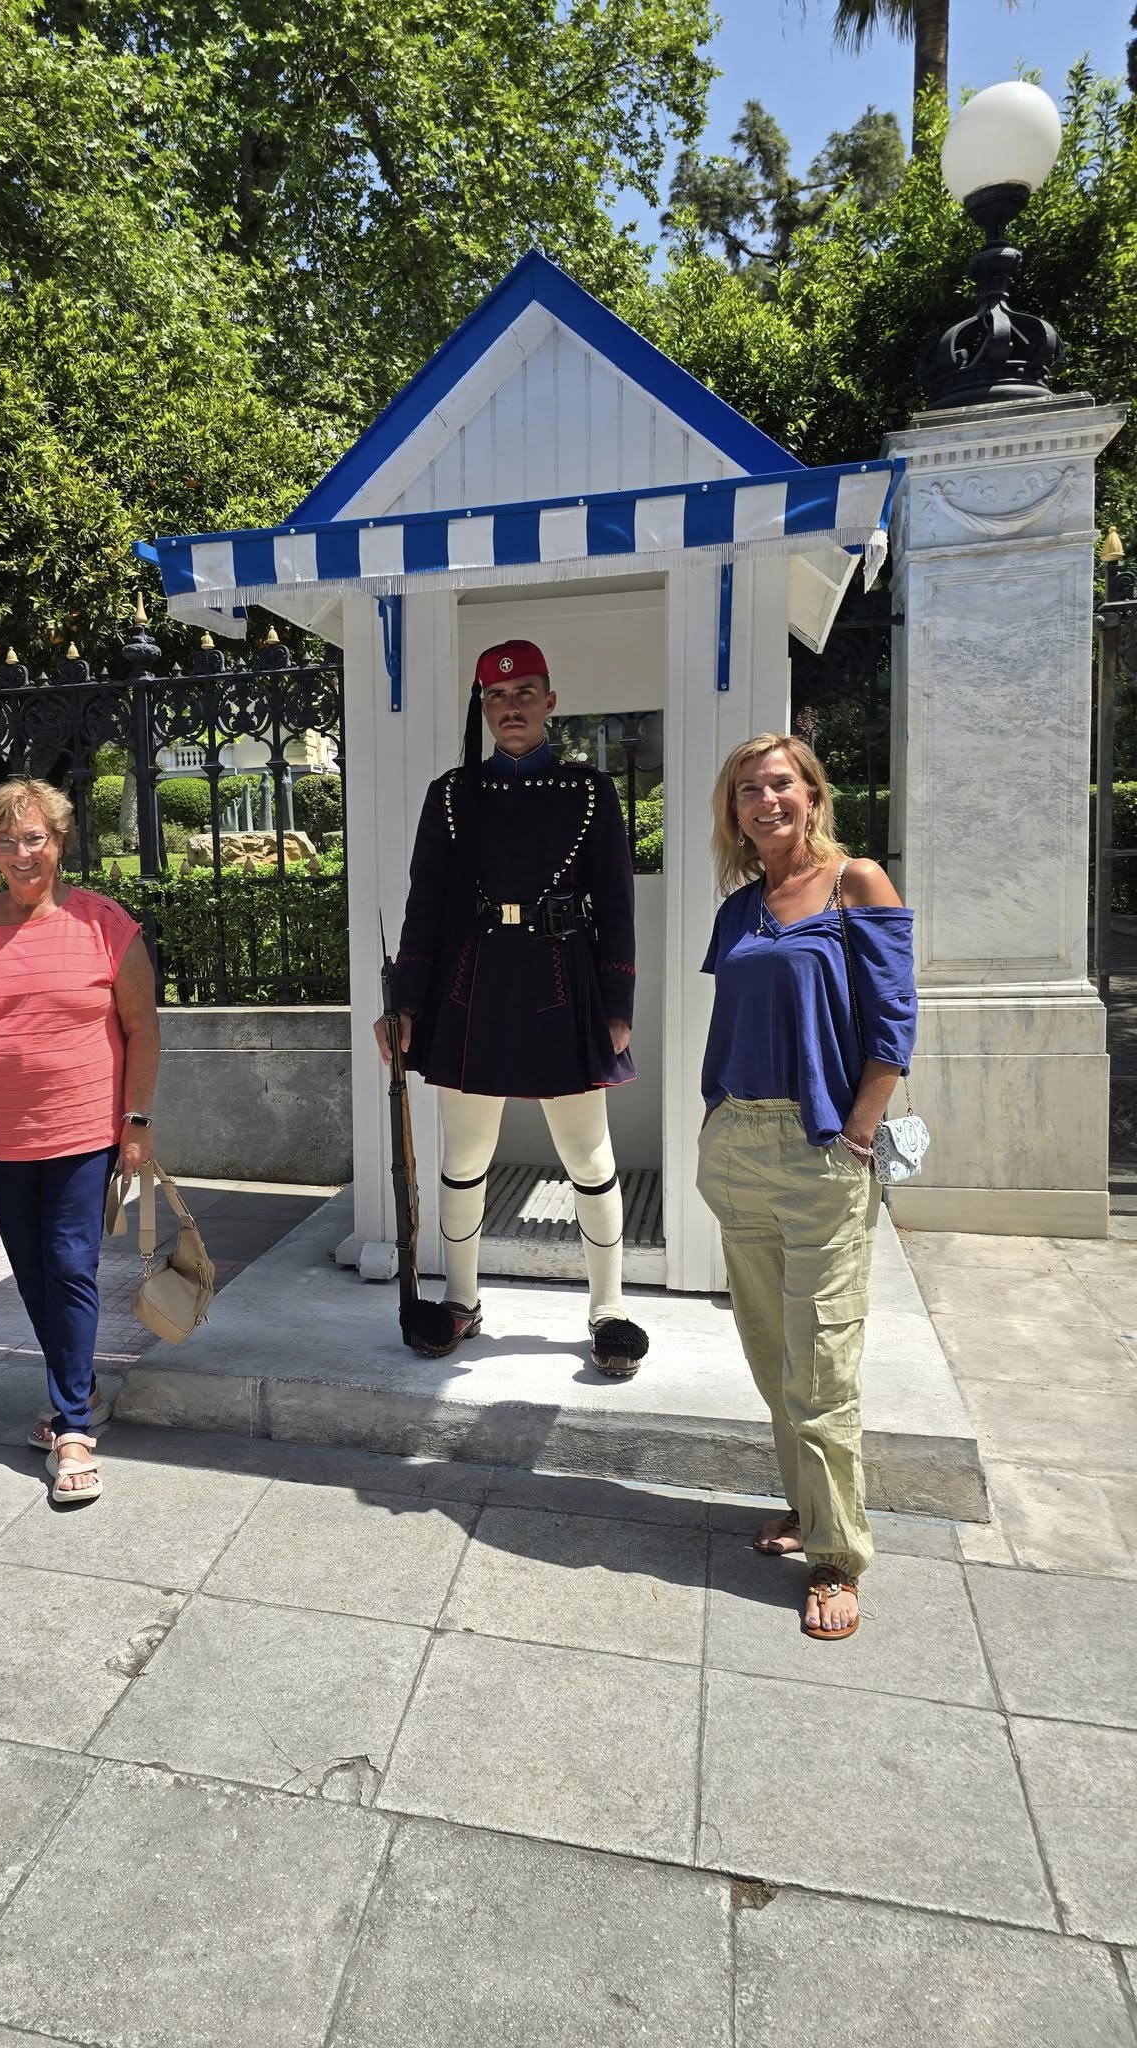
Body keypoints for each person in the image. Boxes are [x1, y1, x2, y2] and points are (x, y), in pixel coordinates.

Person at [377, 639, 649, 1376]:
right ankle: (461, 1298)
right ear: (484, 707)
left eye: (526, 692)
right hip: (473, 986)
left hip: (563, 983)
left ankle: (608, 1307)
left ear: (550, 701)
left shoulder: (589, 791)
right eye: (498, 696)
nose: (512, 707)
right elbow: (424, 906)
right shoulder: (451, 794)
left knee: (588, 1154)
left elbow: (617, 904)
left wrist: (617, 997)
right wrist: (405, 1003)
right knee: (464, 1157)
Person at [696, 733, 917, 1643]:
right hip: (738, 1145)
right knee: (771, 1356)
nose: (764, 800)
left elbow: (894, 1017)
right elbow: (735, 1020)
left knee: (822, 1366)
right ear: (735, 812)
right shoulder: (741, 907)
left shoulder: (856, 882)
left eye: (779, 783)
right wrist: (715, 1117)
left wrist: (862, 1124)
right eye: (748, 790)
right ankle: (804, 1508)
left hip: (822, 1143)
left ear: (813, 793)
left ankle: (837, 1557)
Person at [0, 778, 159, 1506]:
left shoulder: (103, 923)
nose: (20, 852)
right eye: (5, 840)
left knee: (70, 1264)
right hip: (0, 1135)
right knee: (34, 1271)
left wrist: (136, 1121)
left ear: (59, 843)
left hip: (81, 1129)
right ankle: (83, 1388)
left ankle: (72, 1428)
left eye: (33, 837)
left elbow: (143, 1027)